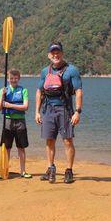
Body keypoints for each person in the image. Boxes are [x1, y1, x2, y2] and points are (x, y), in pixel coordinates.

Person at [35, 42, 83, 184]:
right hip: (48, 110)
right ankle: (50, 167)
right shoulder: (45, 71)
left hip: (65, 109)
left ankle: (69, 170)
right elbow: (39, 91)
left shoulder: (72, 70)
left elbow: (79, 91)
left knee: (67, 140)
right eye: (53, 53)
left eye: (58, 52)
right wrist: (37, 112)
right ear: (49, 55)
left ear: (62, 53)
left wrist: (77, 112)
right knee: (49, 140)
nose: (55, 55)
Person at [0, 69, 31, 178]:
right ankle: (4, 170)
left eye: (16, 78)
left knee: (21, 147)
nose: (13, 80)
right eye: (11, 78)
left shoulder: (23, 90)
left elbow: (25, 107)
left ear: (19, 79)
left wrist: (10, 106)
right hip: (7, 121)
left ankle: (23, 171)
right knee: (6, 147)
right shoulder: (3, 90)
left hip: (20, 121)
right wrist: (2, 95)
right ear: (8, 79)